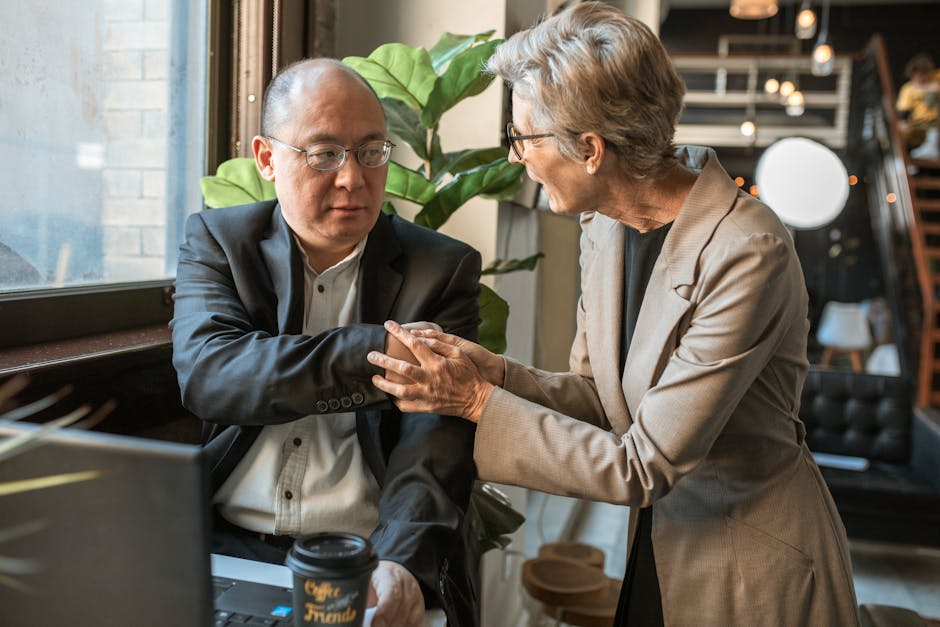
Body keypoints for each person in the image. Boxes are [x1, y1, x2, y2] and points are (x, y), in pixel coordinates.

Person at [367, 3, 860, 626]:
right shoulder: (605, 224)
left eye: (522, 137)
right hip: (659, 540)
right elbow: (604, 402)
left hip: (751, 562)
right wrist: (495, 374)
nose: (515, 157)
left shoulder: (747, 252)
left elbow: (644, 464)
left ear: (590, 149)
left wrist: (475, 402)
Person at [170, 58, 482, 627]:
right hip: (226, 545)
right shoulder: (220, 242)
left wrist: (400, 561)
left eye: (371, 151)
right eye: (324, 153)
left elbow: (436, 443)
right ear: (267, 159)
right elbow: (212, 375)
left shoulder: (440, 269)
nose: (353, 179)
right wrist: (377, 350)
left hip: (368, 552)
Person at [897, 52, 940, 160]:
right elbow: (903, 112)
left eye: (923, 76)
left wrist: (932, 88)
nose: (919, 80)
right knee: (900, 130)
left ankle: (932, 147)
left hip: (936, 119)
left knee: (932, 96)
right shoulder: (908, 89)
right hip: (921, 123)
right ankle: (902, 159)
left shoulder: (937, 77)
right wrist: (904, 123)